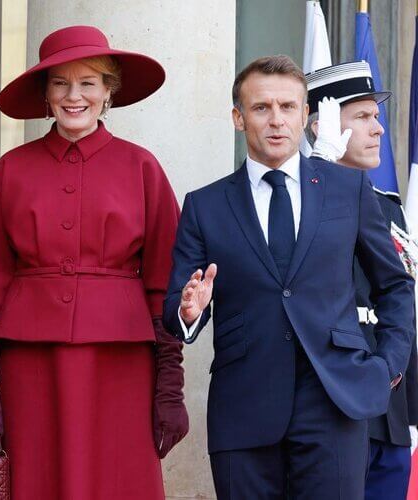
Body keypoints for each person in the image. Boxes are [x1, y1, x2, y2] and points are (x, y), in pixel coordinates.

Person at [162, 54, 415, 499]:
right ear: (238, 118)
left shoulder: (349, 189)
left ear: (305, 116)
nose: (276, 120)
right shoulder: (205, 206)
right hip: (244, 411)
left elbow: (394, 285)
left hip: (336, 404)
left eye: (288, 107)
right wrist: (188, 311)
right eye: (261, 108)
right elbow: (176, 308)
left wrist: (388, 366)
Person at [0, 25, 187, 500]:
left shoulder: (142, 167)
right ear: (45, 95)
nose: (74, 96)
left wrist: (170, 388)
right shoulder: (11, 169)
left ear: (109, 92)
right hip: (29, 367)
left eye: (89, 82)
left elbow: (163, 286)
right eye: (60, 84)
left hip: (122, 366)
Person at [305, 60, 418, 500]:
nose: (379, 130)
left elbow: (398, 300)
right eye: (362, 116)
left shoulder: (389, 208)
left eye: (378, 117)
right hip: (330, 411)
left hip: (388, 412)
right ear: (322, 126)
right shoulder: (296, 202)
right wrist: (322, 169)